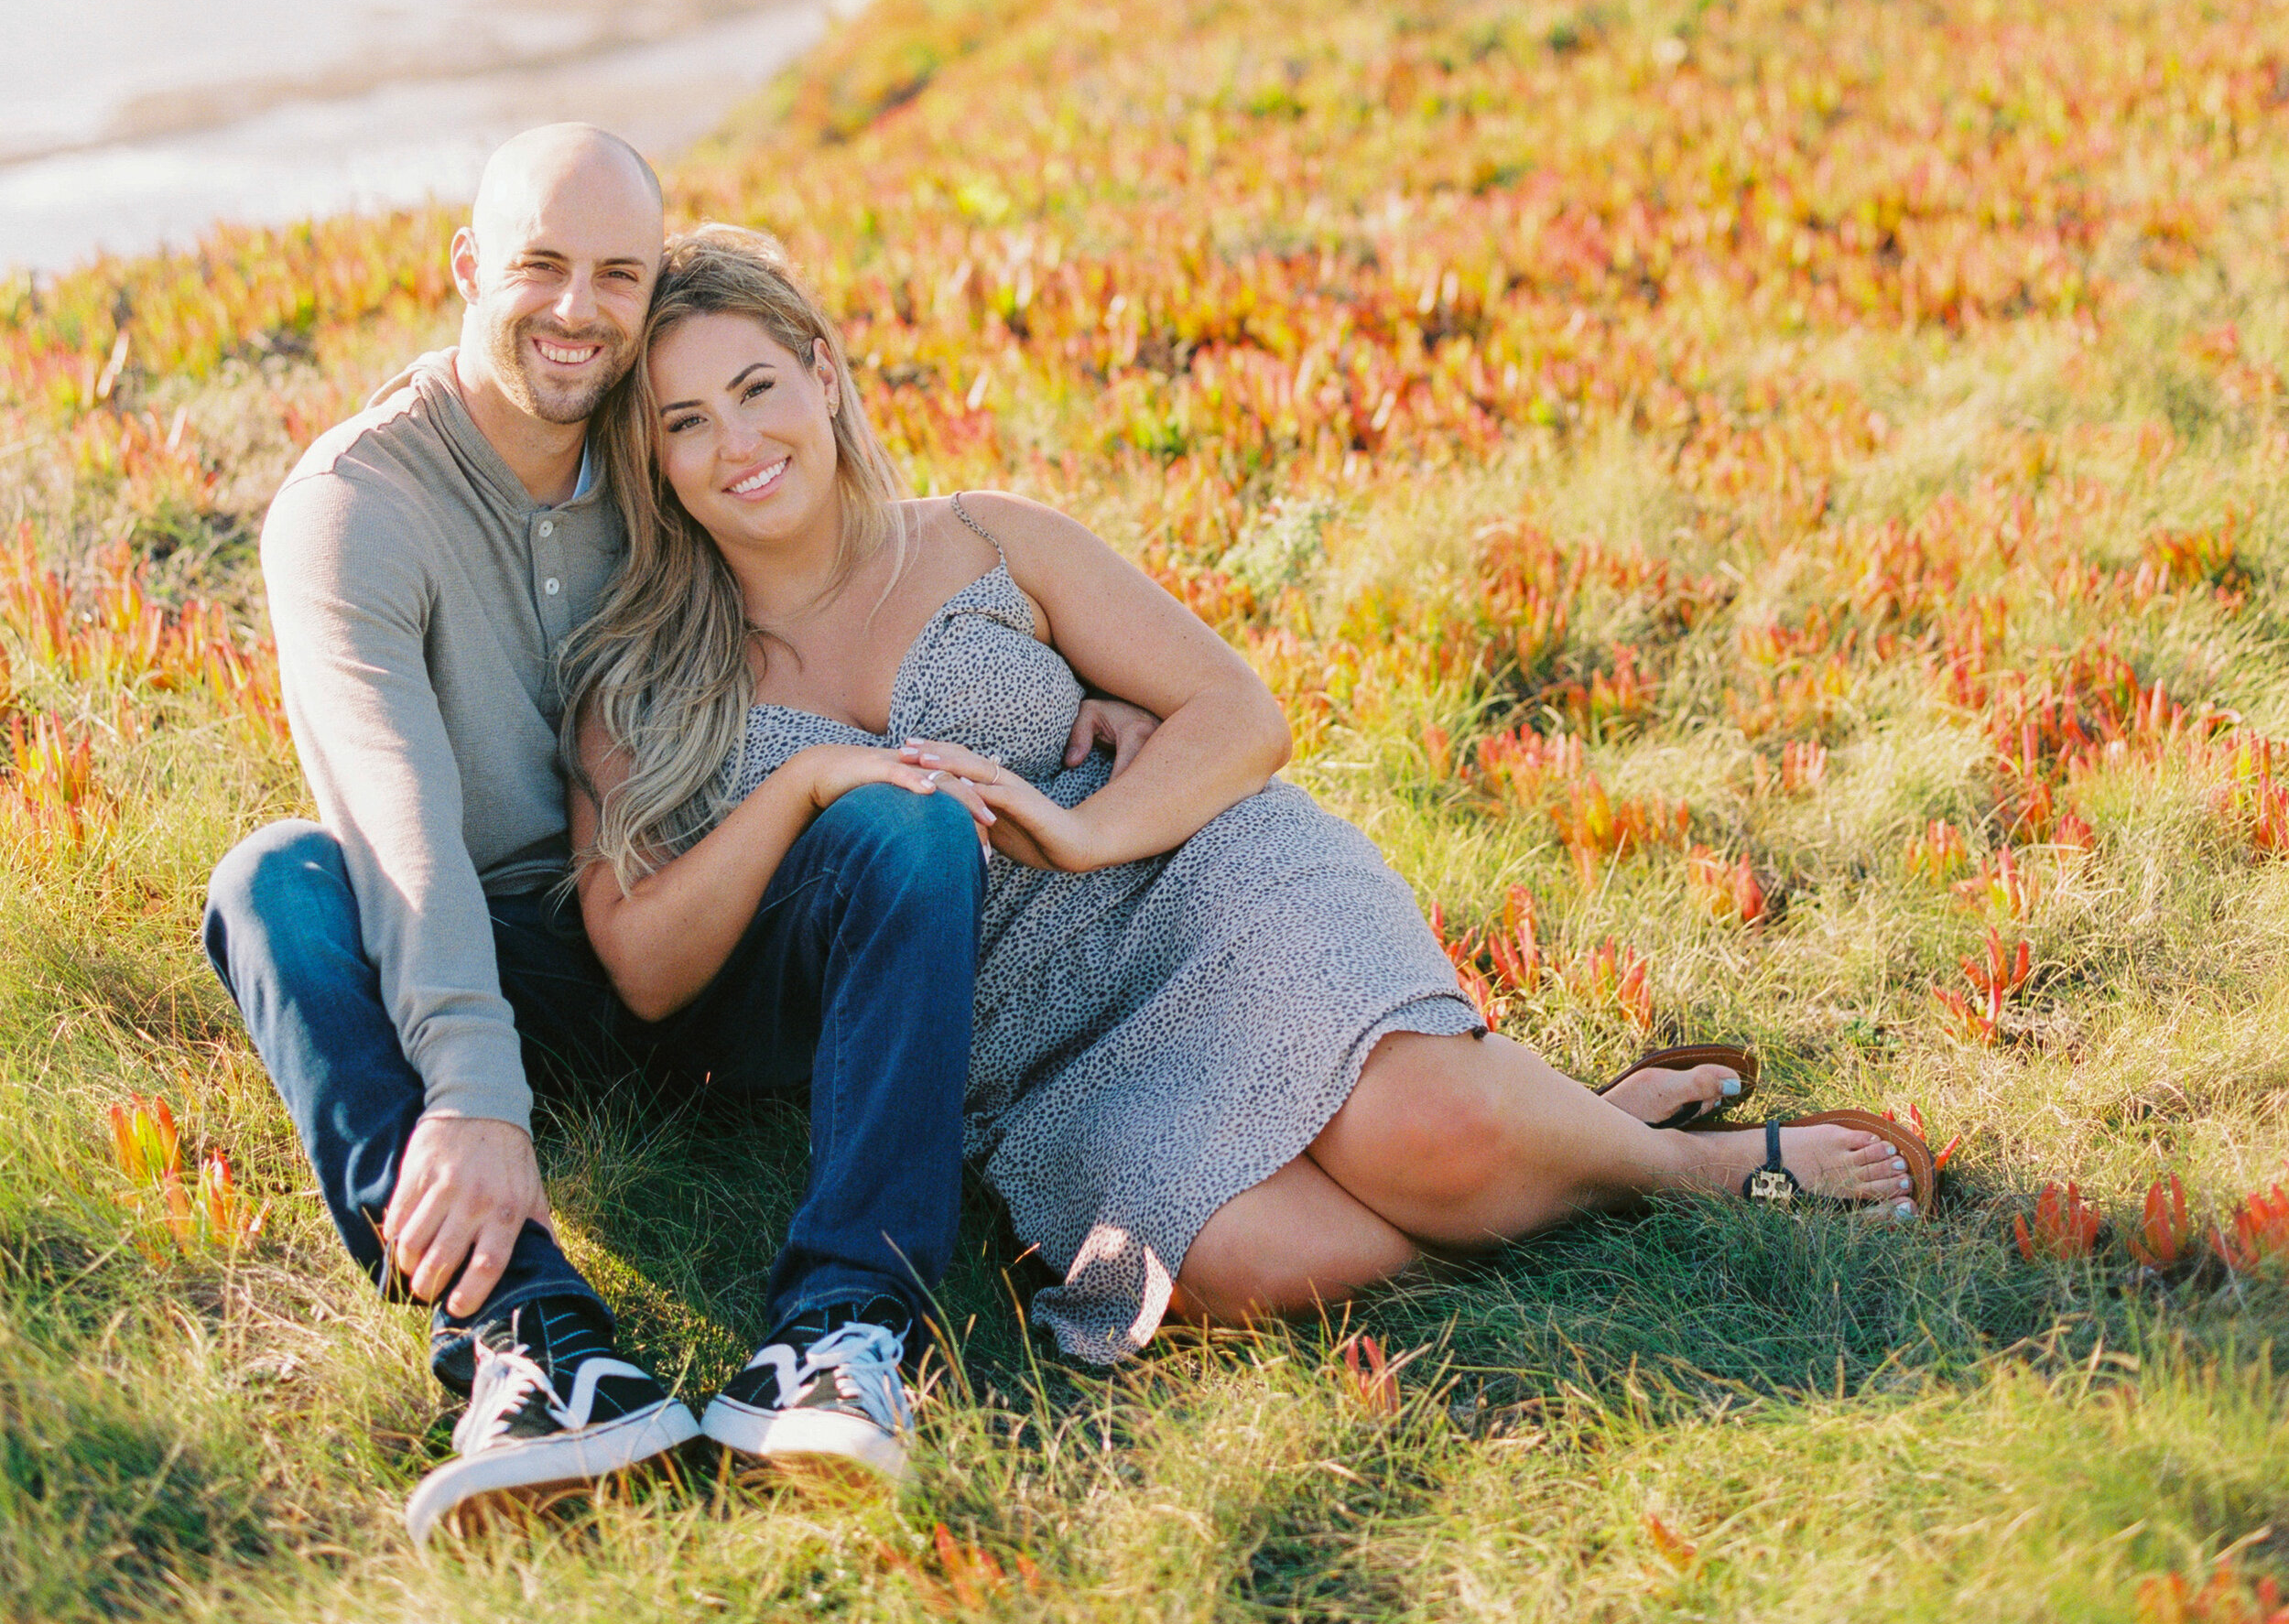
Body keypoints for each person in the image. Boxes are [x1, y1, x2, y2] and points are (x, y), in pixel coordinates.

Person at [562, 224, 1934, 1377]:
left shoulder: (987, 536)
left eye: (755, 388)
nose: (736, 442)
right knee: (1266, 1266)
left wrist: (1086, 826)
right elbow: (642, 965)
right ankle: (1575, 1124)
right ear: (654, 461)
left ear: (821, 371)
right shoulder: (647, 681)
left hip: (1192, 888)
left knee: (1427, 1138)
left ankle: (1672, 1167)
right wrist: (802, 787)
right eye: (685, 421)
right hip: (1021, 1041)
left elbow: (1241, 714)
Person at [201, 126, 1152, 1546]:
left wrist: (1097, 692)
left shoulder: (667, 447)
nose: (577, 311)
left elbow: (850, 564)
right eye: (539, 267)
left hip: (720, 929)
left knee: (906, 825)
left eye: (617, 276)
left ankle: (842, 1340)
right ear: (466, 267)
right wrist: (471, 1092)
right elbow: (397, 835)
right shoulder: (355, 513)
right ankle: (537, 1349)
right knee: (271, 880)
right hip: (511, 963)